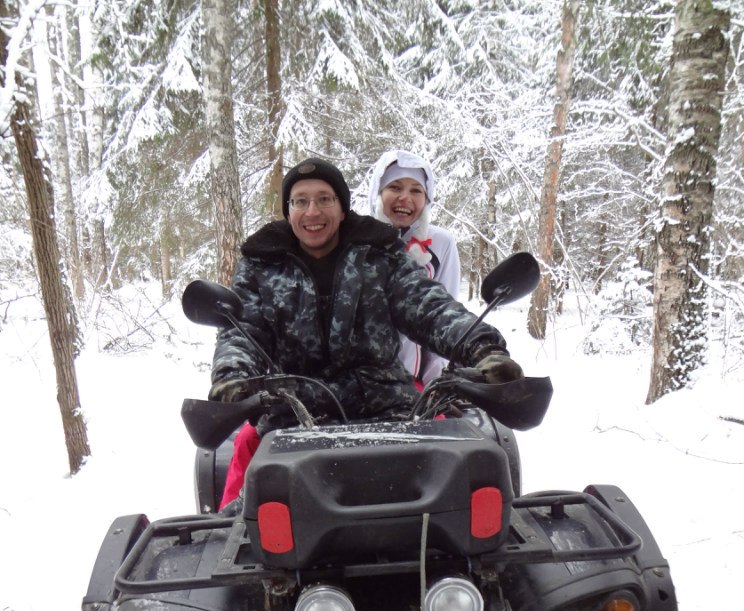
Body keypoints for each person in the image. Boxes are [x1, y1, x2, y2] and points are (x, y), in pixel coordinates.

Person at [213, 157, 521, 507]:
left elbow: (429, 306)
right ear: (288, 211)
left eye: (324, 199)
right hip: (294, 415)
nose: (312, 211)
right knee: (245, 519)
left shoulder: (380, 254)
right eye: (300, 201)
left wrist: (482, 348)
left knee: (464, 501)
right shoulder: (261, 264)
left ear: (342, 208)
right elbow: (241, 330)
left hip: (387, 411)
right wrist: (232, 377)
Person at [367, 149, 460, 386]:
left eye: (416, 190)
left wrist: (436, 387)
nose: (405, 198)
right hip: (356, 387)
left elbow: (443, 321)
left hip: (413, 385)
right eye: (395, 187)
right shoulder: (354, 241)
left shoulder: (441, 244)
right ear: (378, 192)